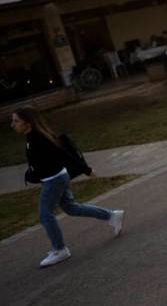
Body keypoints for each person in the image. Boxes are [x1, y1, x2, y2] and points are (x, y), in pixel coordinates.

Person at [11, 106, 124, 268]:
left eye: (16, 121)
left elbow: (64, 154)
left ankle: (60, 250)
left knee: (45, 215)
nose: (13, 125)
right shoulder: (32, 138)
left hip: (54, 180)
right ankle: (112, 215)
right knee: (71, 208)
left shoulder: (38, 139)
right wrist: (32, 173)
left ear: (28, 123)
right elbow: (42, 162)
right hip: (56, 178)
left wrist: (86, 169)